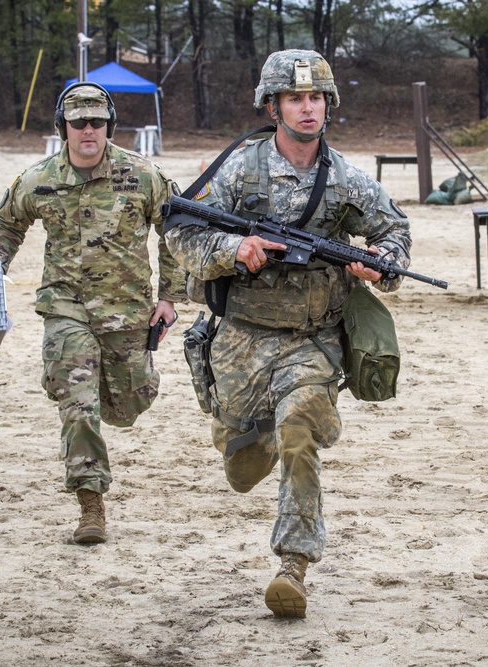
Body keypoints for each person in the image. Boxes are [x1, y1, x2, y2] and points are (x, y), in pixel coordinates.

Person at [164, 49, 413, 618]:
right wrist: (235, 249)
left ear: (329, 106)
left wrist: (381, 262)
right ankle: (254, 435)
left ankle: (293, 565)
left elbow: (396, 234)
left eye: (316, 98)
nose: (308, 108)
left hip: (312, 339)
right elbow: (180, 233)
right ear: (272, 106)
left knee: (299, 431)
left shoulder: (348, 180)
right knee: (240, 457)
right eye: (296, 98)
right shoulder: (238, 170)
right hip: (241, 339)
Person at [0, 82, 186, 545]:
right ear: (63, 127)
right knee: (79, 404)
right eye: (78, 122)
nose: (88, 130)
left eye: (97, 121)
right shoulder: (39, 178)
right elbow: (6, 226)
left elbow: (176, 231)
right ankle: (91, 504)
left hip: (127, 313)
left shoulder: (142, 174)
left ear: (108, 125)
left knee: (129, 402)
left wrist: (169, 299)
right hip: (65, 307)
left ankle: (130, 387)